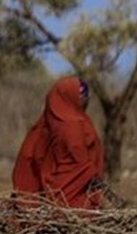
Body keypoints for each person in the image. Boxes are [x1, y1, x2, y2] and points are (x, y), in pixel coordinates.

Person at [12, 75, 106, 211]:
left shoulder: (46, 124)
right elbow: (79, 164)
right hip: (69, 203)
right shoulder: (72, 126)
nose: (86, 101)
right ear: (71, 98)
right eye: (83, 97)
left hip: (44, 199)